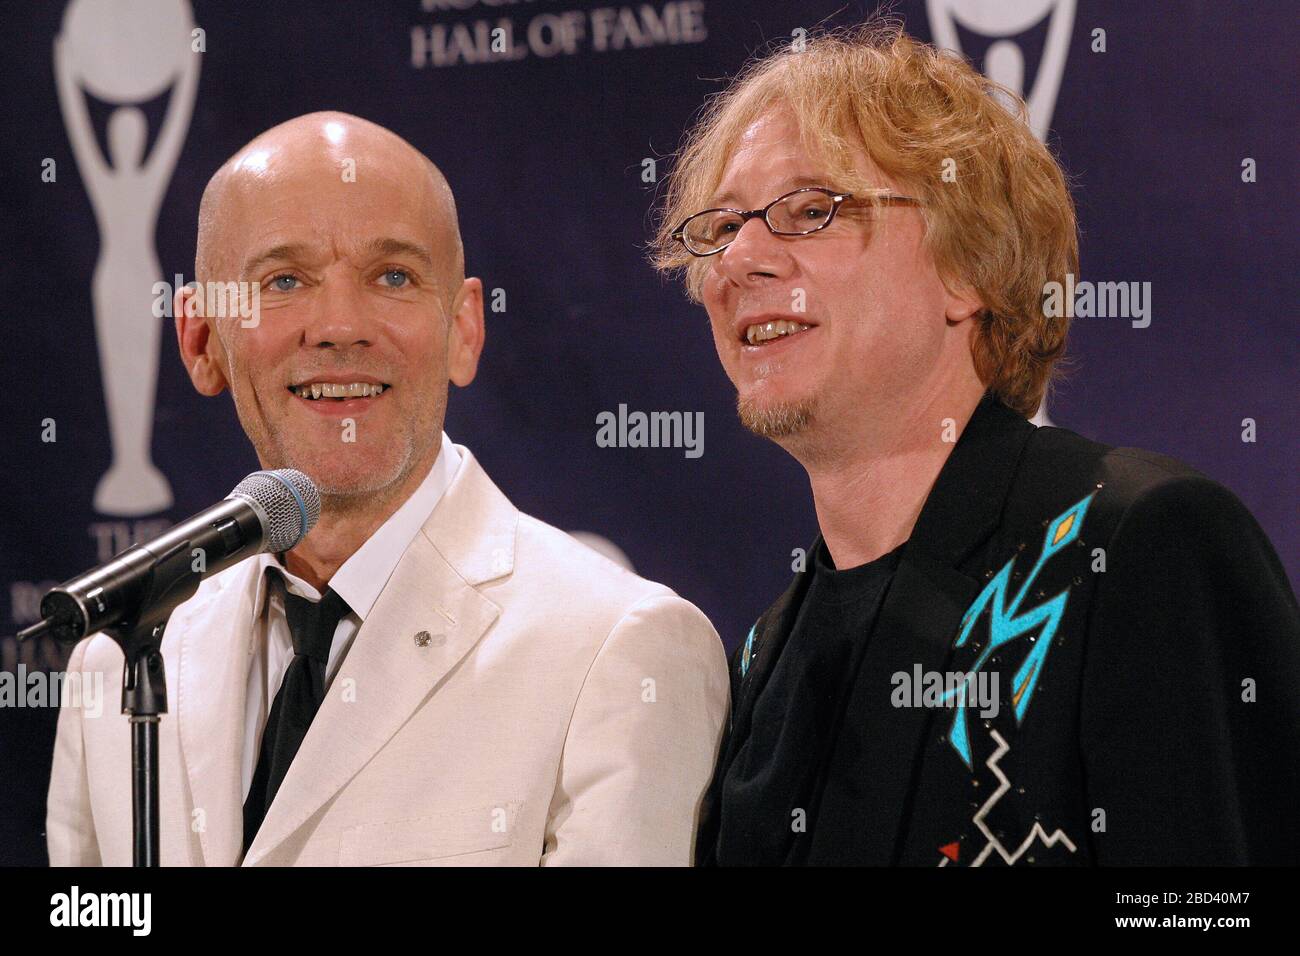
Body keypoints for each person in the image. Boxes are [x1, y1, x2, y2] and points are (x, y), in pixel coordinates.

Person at [651, 24, 1300, 866]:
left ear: (971, 269)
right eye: (721, 226)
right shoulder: (763, 658)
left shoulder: (1137, 545)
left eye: (812, 210)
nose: (737, 260)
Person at [47, 112, 728, 866]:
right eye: (284, 280)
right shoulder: (119, 661)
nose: (341, 326)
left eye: (393, 276)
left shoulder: (618, 649)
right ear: (202, 341)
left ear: (464, 330)